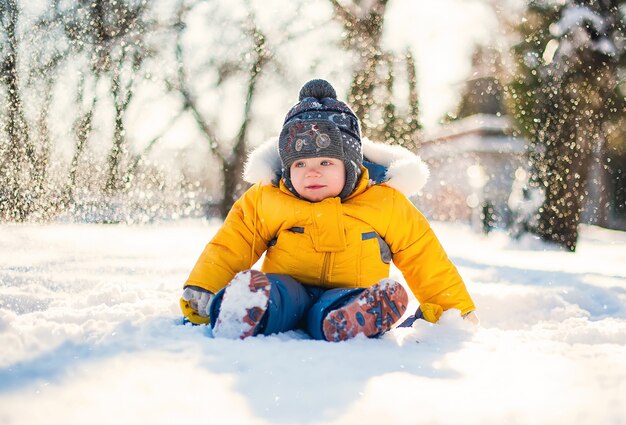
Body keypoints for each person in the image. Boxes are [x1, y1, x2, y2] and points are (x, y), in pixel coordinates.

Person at [180, 79, 477, 341]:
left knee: (343, 304)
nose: (312, 173)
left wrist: (454, 310)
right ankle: (242, 308)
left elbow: (422, 255)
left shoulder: (385, 203)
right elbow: (233, 243)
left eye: (325, 163)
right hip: (289, 287)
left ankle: (355, 319)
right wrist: (204, 288)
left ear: (350, 165)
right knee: (275, 294)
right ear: (286, 167)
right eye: (300, 164)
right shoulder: (267, 199)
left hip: (349, 293)